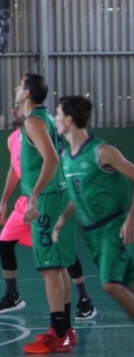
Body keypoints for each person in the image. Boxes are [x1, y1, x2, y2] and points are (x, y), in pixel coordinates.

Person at [0, 105, 98, 321]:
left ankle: (84, 300)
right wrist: (3, 202)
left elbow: (53, 161)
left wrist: (41, 194)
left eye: (18, 106)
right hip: (25, 201)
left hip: (46, 198)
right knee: (4, 243)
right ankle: (13, 296)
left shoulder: (41, 129)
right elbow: (13, 170)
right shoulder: (12, 139)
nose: (14, 108)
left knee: (61, 256)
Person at [52, 95, 134, 321]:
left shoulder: (102, 151)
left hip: (112, 227)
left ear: (68, 119)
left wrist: (130, 219)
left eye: (57, 115)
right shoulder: (66, 157)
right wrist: (63, 219)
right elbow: (78, 196)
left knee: (110, 285)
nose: (55, 119)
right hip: (92, 234)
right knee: (128, 284)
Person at [15, 73, 77, 355]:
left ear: (27, 93)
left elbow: (51, 159)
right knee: (60, 265)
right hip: (60, 194)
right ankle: (64, 330)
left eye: (19, 85)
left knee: (50, 269)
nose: (16, 89)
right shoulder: (49, 118)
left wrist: (35, 196)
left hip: (49, 199)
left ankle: (59, 335)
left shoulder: (33, 122)